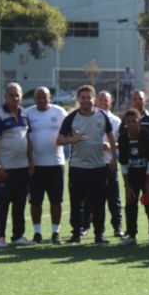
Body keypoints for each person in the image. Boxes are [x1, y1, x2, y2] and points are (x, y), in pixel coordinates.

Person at [57, 85, 115, 245]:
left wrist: (114, 159)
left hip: (98, 167)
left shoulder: (102, 116)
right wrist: (72, 140)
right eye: (82, 97)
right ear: (78, 99)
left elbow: (111, 137)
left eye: (88, 97)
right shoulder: (71, 118)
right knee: (76, 204)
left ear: (94, 99)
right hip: (77, 168)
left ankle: (99, 235)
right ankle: (76, 234)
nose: (85, 100)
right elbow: (59, 140)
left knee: (98, 203)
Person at [0, 83, 34, 247]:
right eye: (11, 95)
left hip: (22, 168)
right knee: (2, 205)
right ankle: (0, 237)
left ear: (21, 96)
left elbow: (28, 139)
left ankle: (18, 235)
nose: (15, 98)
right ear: (5, 96)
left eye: (17, 95)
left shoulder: (24, 114)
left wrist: (31, 162)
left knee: (20, 203)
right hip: (5, 169)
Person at [26, 86, 68, 244]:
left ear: (50, 98)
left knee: (56, 201)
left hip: (56, 164)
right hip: (35, 165)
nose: (42, 100)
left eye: (45, 97)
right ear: (35, 98)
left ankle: (55, 232)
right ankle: (37, 233)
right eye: (39, 97)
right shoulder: (28, 113)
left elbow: (70, 129)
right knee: (35, 201)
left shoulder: (59, 112)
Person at [118, 109, 149, 246]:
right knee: (130, 204)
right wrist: (127, 185)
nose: (131, 124)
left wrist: (148, 183)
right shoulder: (122, 139)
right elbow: (123, 164)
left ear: (139, 122)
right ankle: (131, 235)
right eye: (128, 122)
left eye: (134, 121)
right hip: (132, 175)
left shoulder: (147, 136)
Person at [95, 91, 123, 238]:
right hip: (93, 163)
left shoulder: (116, 121)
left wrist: (111, 147)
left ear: (110, 102)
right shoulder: (90, 117)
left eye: (106, 100)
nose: (103, 102)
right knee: (93, 198)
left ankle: (117, 227)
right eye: (100, 99)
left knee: (114, 197)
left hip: (109, 162)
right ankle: (90, 227)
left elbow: (120, 142)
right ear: (96, 101)